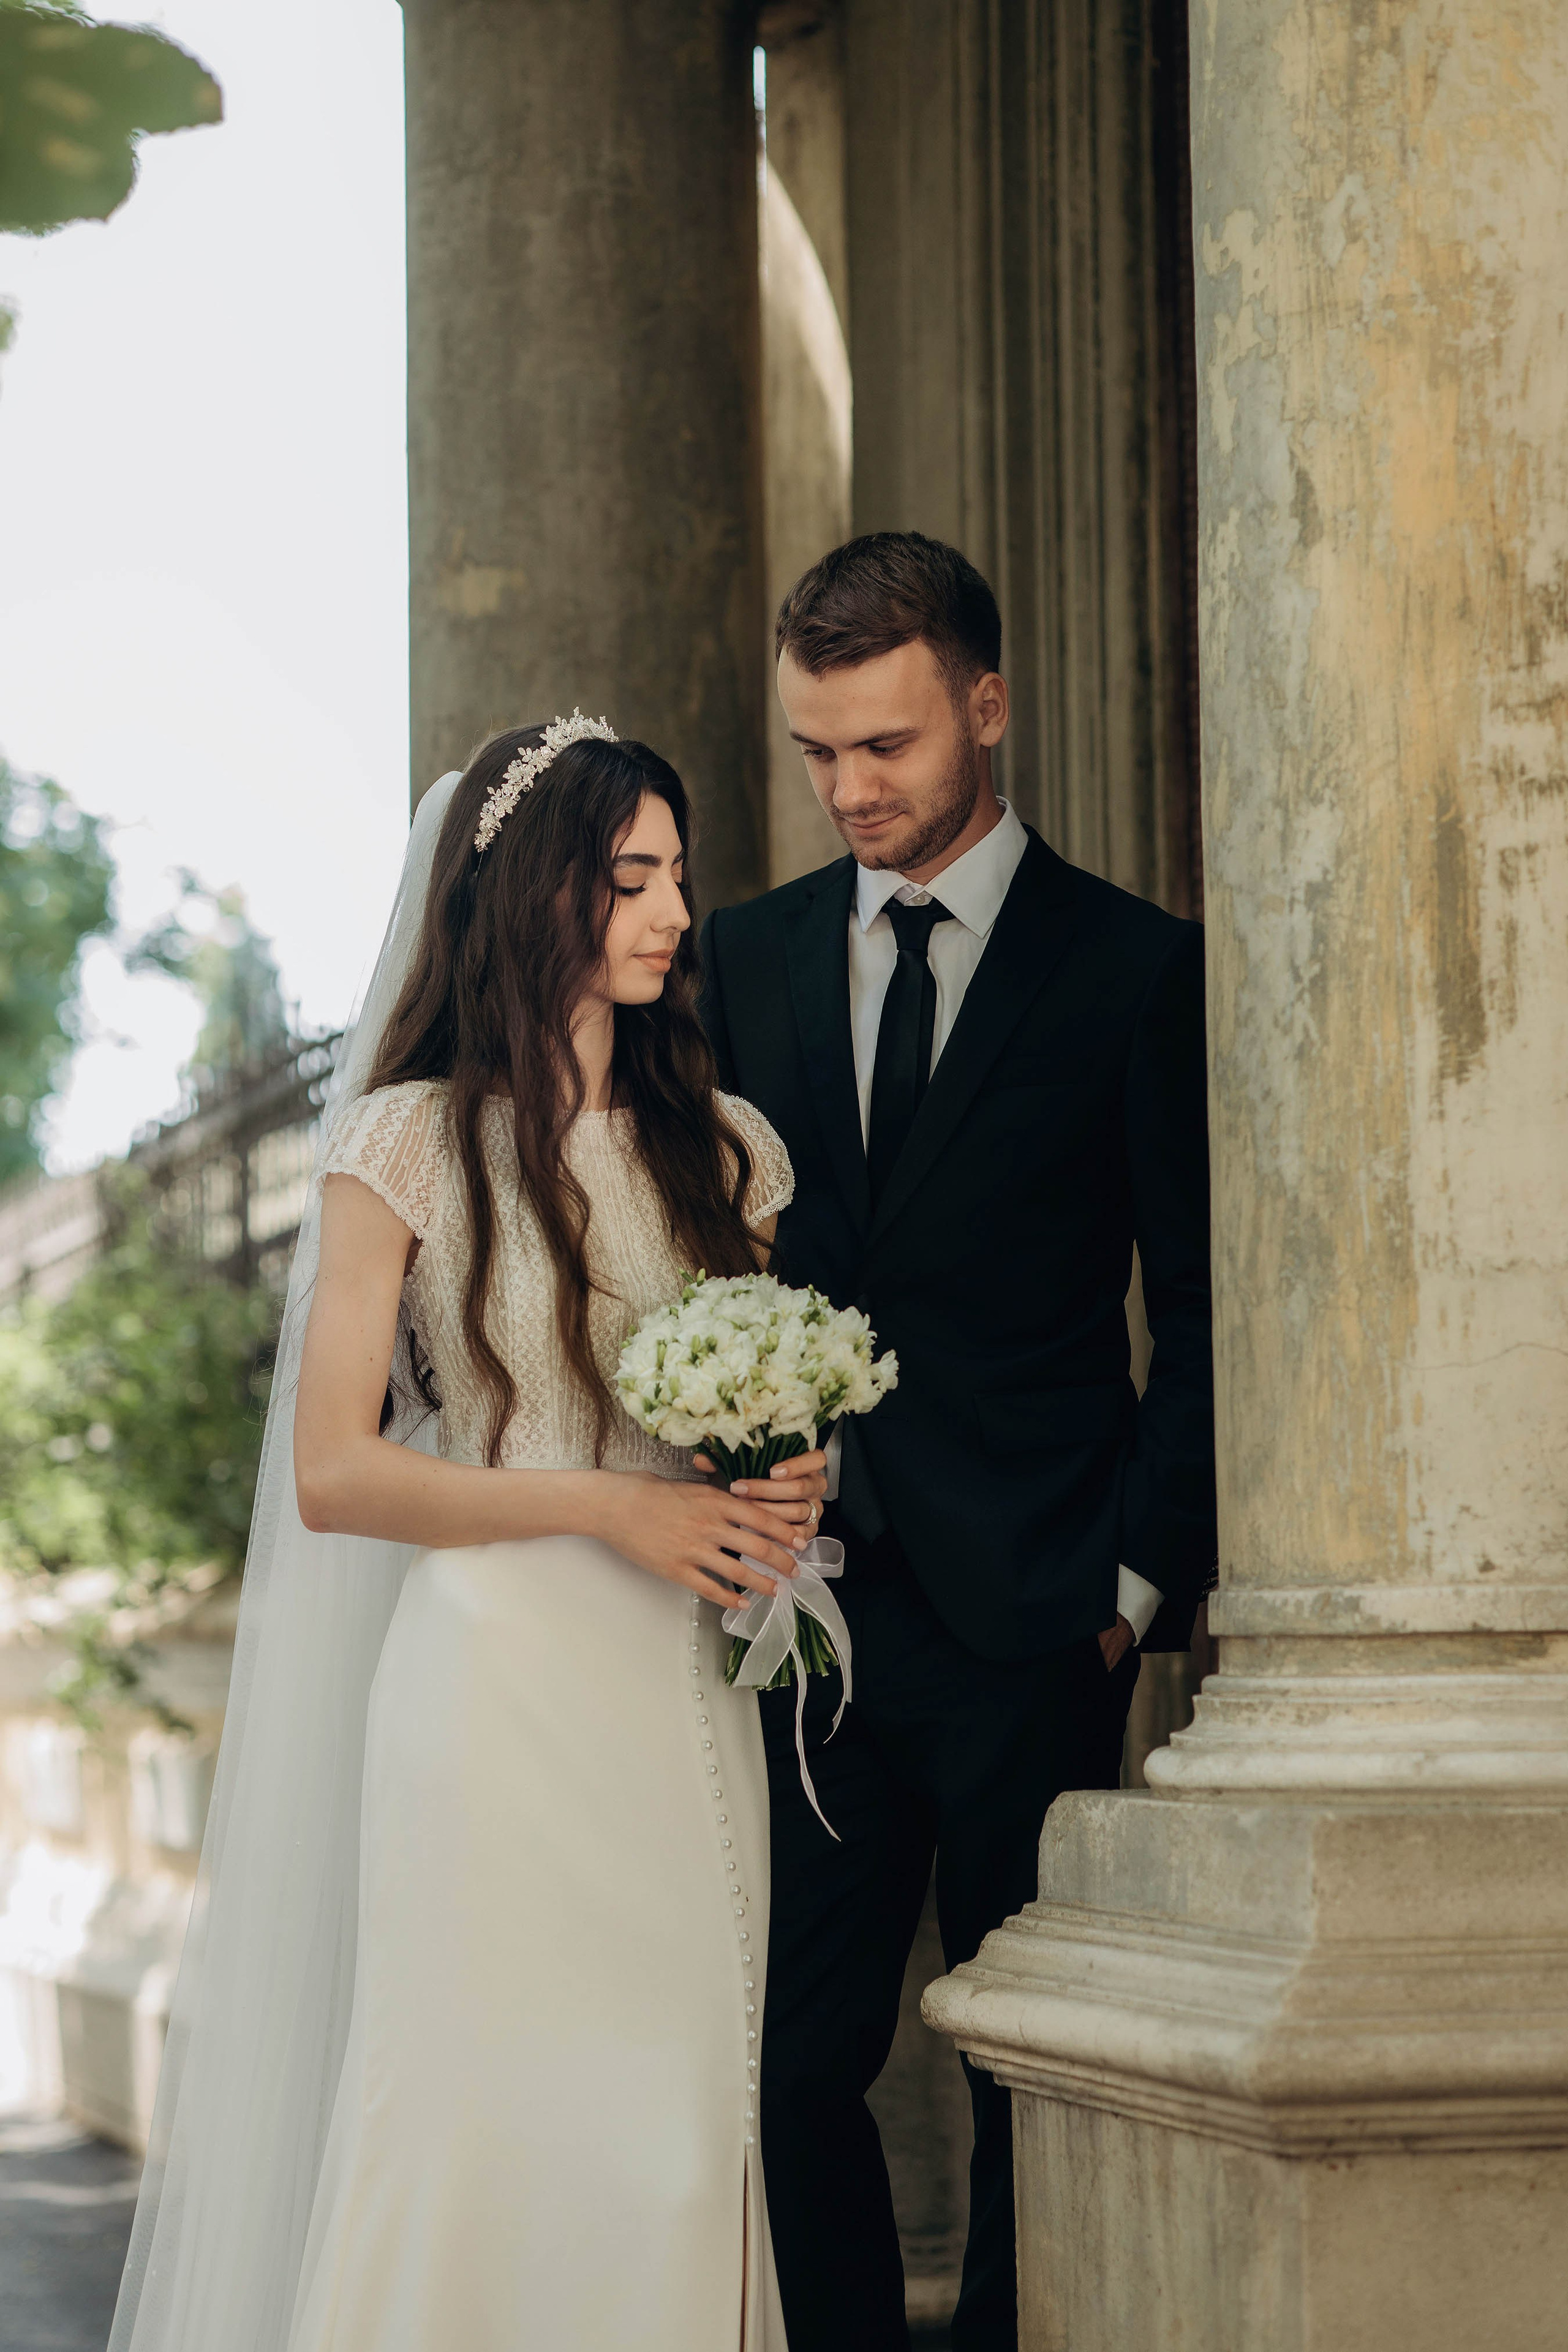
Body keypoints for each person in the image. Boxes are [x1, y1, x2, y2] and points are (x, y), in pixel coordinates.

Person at [108, 718, 826, 2352]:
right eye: (628, 874)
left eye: (678, 875)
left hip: (676, 1690)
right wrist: (606, 1503)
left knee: (677, 2126)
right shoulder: (401, 1144)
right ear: (532, 892)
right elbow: (338, 1476)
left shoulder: (731, 1156)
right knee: (468, 2110)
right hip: (490, 1699)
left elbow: (770, 1414)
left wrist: (794, 1482)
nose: (668, 910)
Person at [699, 533, 1216, 2352]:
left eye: (888, 746)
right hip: (810, 1616)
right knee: (791, 2069)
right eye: (816, 752)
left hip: (1040, 1616)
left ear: (986, 707)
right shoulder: (739, 960)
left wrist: (1135, 1585)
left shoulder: (1135, 971)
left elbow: (1209, 1302)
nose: (848, 790)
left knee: (1028, 2081)